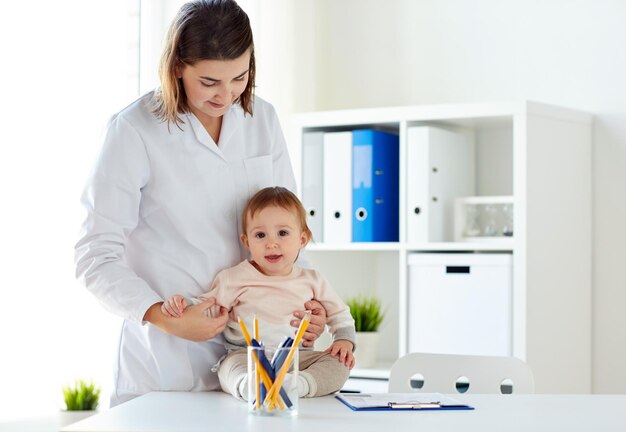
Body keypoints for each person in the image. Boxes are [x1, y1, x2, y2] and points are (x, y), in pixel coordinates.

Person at [74, 0, 327, 407]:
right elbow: (94, 255)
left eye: (239, 78)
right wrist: (163, 316)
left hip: (259, 355)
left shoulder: (262, 119)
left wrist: (309, 304)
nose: (226, 94)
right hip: (167, 364)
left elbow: (288, 228)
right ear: (176, 67)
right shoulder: (133, 130)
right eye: (209, 81)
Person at [162, 187, 355, 400]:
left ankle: (298, 385)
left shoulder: (313, 279)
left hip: (298, 358)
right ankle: (250, 387)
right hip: (247, 356)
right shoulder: (234, 277)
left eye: (283, 233)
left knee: (339, 365)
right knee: (229, 369)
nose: (271, 243)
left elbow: (340, 314)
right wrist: (183, 304)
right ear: (247, 242)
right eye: (260, 235)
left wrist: (344, 341)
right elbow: (207, 304)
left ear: (302, 239)